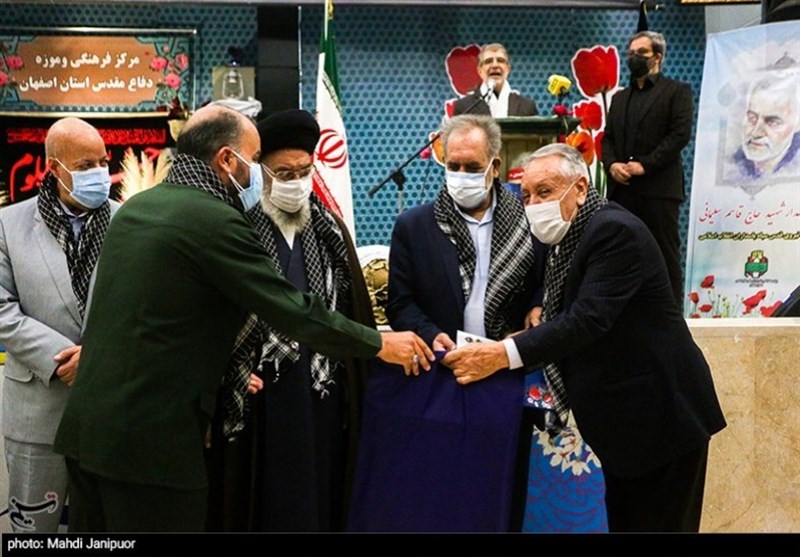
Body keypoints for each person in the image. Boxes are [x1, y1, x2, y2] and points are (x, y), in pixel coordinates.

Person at [52, 105, 433, 533]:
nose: (257, 175)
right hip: (150, 447)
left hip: (87, 432)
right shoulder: (214, 220)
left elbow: (154, 322)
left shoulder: (137, 209)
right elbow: (289, 308)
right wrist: (378, 343)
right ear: (226, 160)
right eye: (254, 160)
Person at [443, 143, 727, 533]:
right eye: (526, 196)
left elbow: (587, 320)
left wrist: (502, 354)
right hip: (626, 430)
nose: (534, 204)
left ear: (579, 188)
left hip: (662, 419)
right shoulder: (568, 237)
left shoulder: (613, 231)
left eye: (545, 191)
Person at [348, 114, 546, 532]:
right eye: (453, 165)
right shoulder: (414, 225)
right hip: (439, 373)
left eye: (472, 167)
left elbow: (547, 279)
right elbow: (401, 303)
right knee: (435, 488)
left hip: (502, 372)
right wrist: (430, 333)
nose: (461, 175)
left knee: (491, 488)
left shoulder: (529, 220)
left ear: (494, 166)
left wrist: (538, 305)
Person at [206, 109, 376, 532]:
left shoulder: (332, 230)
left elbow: (353, 309)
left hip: (323, 391)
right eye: (284, 173)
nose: (296, 182)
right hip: (260, 394)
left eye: (304, 171)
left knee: (320, 497)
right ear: (261, 172)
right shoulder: (238, 229)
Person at [0, 117, 119, 532]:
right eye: (85, 165)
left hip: (109, 410)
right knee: (34, 531)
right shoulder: (8, 224)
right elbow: (2, 308)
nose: (99, 173)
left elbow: (142, 306)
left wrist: (96, 356)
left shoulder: (128, 222)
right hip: (37, 410)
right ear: (54, 167)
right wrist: (62, 358)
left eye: (103, 162)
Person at [601, 31, 693, 307]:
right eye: (631, 53)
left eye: (641, 53)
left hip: (658, 190)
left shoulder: (677, 91)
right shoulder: (620, 98)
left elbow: (679, 135)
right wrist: (612, 164)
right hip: (622, 191)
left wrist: (646, 165)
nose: (634, 58)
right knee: (621, 254)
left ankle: (671, 315)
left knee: (664, 255)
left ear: (657, 57)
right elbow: (608, 139)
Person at [730, 73, 800, 181]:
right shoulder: (733, 164)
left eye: (772, 122)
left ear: (797, 124)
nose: (755, 133)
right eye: (752, 118)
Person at [452, 43, 538, 118]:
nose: (495, 65)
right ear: (480, 70)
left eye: (500, 60)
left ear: (508, 69)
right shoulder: (464, 107)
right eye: (488, 61)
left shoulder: (527, 106)